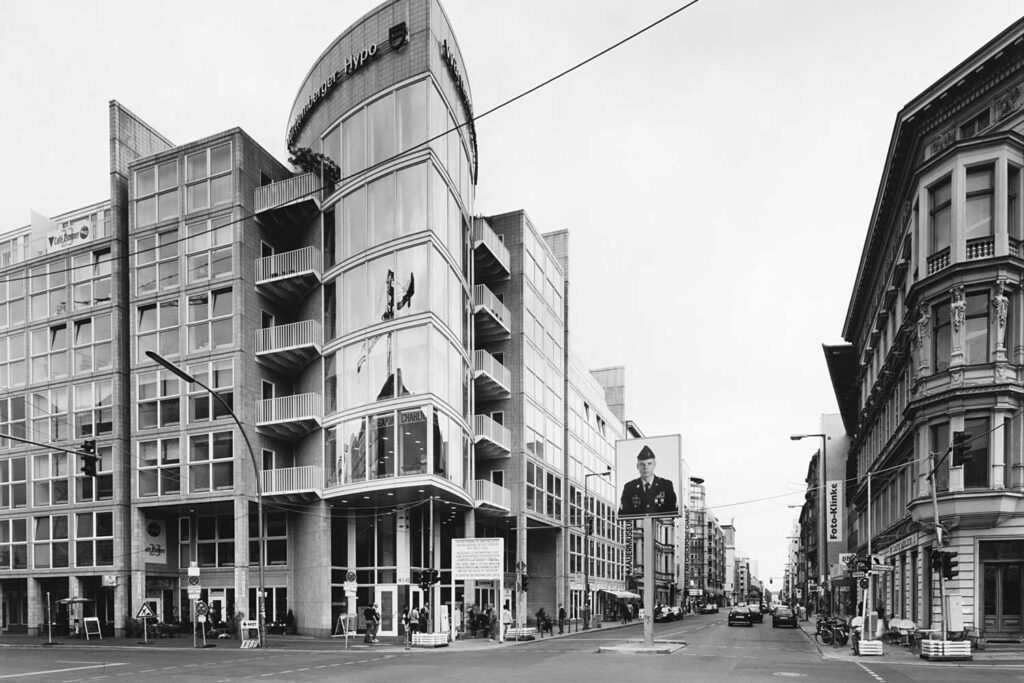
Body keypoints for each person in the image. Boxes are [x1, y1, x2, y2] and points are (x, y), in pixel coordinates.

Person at [618, 445, 678, 517]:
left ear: (654, 465)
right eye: (642, 464)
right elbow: (623, 514)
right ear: (637, 466)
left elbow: (673, 512)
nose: (646, 467)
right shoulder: (629, 487)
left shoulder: (665, 485)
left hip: (659, 527)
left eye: (649, 463)